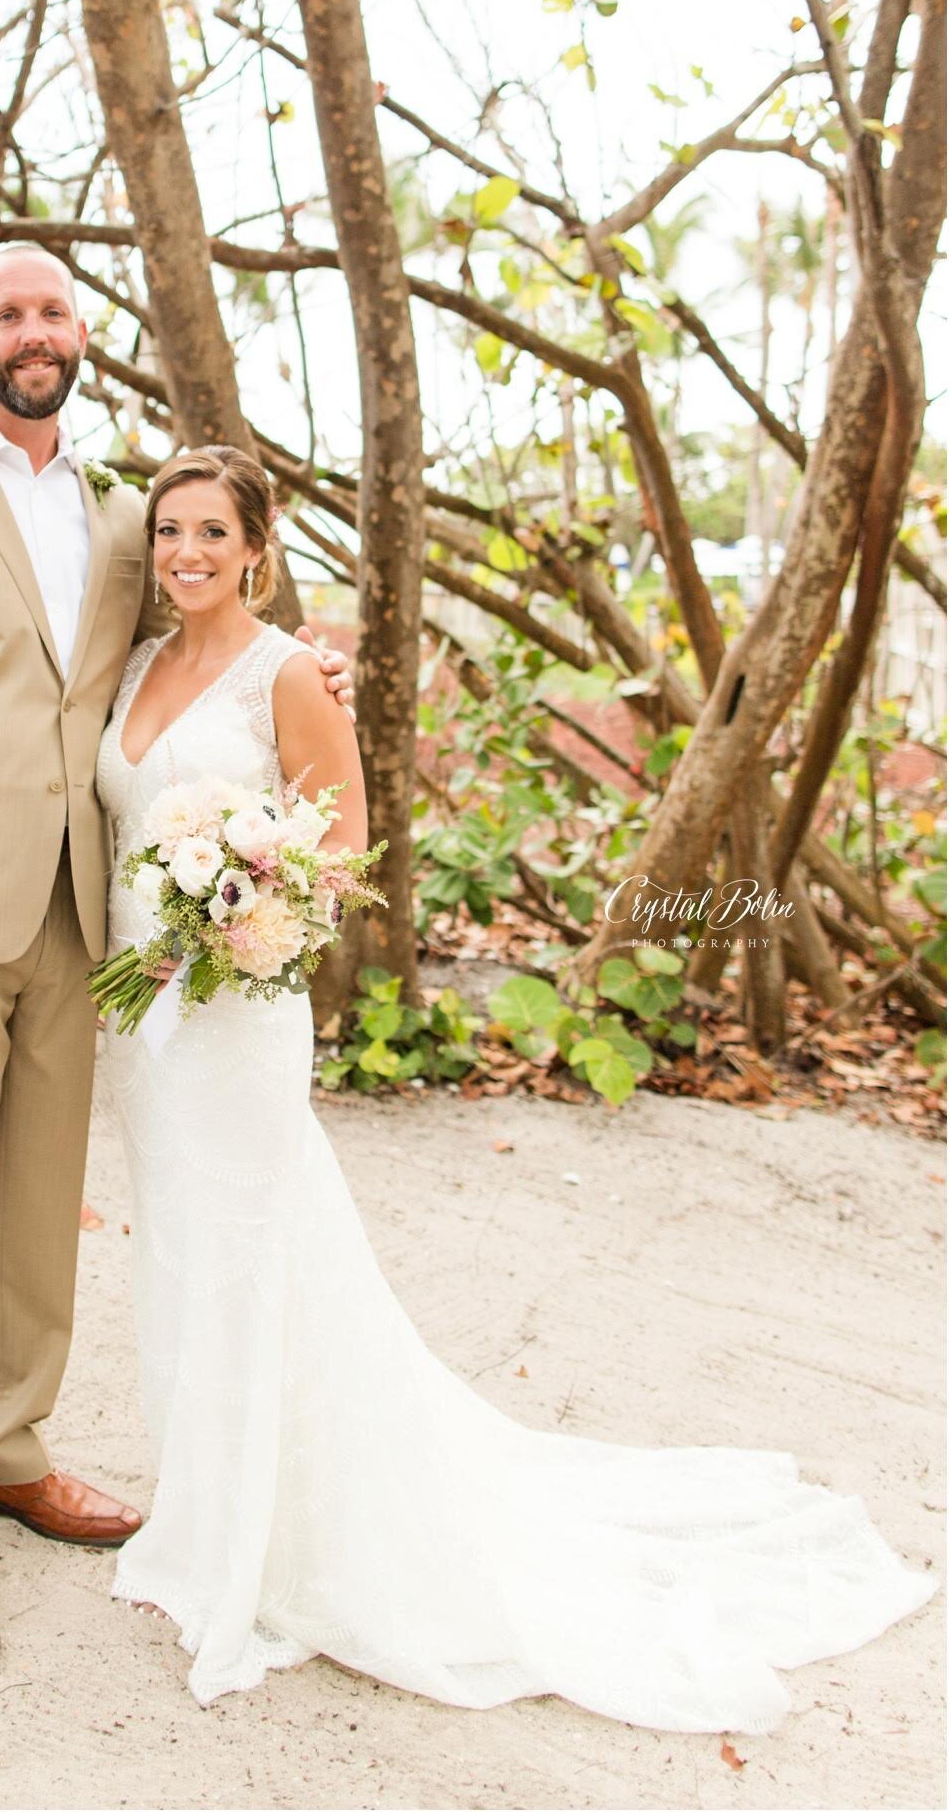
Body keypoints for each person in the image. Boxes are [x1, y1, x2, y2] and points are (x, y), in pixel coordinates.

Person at [97, 442, 937, 1723]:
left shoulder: (287, 676)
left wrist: (230, 911)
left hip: (229, 1014)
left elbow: (343, 848)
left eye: (211, 531)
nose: (186, 554)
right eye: (169, 533)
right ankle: (205, 1509)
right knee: (178, 1255)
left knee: (256, 1256)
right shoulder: (141, 662)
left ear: (257, 545)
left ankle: (278, 1541)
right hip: (138, 1019)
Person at [0, 246, 353, 1662]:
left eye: (54, 311)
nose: (33, 332)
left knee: (39, 1203)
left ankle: (9, 1443)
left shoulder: (122, 514)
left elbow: (197, 632)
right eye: (8, 312)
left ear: (80, 332)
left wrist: (309, 670)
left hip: (79, 910)